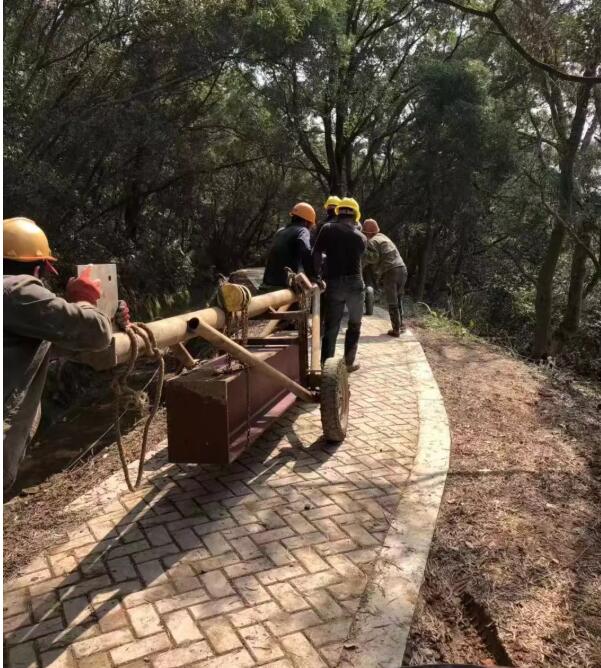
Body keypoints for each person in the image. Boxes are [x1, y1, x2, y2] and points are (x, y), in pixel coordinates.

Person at [4, 217, 113, 492]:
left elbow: (46, 345)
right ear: (38, 269)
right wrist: (84, 301)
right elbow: (98, 333)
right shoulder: (16, 291)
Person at [313, 197, 367, 372]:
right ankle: (349, 363)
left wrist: (316, 276)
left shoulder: (328, 228)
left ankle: (325, 364)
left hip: (334, 283)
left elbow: (316, 252)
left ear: (338, 212)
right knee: (354, 324)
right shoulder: (361, 237)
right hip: (355, 283)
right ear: (356, 215)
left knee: (332, 326)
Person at [362, 218, 408, 336]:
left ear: (367, 233)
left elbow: (374, 258)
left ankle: (396, 330)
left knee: (392, 301)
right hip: (402, 269)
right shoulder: (384, 237)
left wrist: (363, 257)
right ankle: (401, 326)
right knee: (398, 298)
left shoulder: (372, 241)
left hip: (390, 271)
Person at [261, 202, 316, 291]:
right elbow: (305, 251)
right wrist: (312, 277)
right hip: (283, 286)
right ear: (307, 222)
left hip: (266, 284)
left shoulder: (280, 231)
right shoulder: (302, 231)